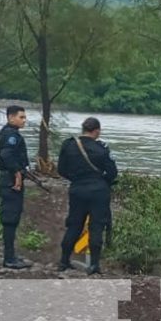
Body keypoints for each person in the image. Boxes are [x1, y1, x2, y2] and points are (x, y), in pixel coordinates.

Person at [57, 117, 117, 275]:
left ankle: (64, 261)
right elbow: (112, 173)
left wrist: (76, 179)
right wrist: (102, 181)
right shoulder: (102, 149)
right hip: (99, 192)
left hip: (77, 190)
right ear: (96, 130)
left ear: (83, 129)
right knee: (96, 226)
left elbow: (61, 169)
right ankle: (95, 265)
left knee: (74, 225)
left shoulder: (69, 145)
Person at [0, 105, 32, 270]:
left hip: (9, 179)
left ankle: (11, 255)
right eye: (21, 117)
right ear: (11, 117)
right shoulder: (11, 135)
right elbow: (7, 155)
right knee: (10, 219)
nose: (24, 120)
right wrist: (17, 174)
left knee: (12, 218)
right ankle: (9, 258)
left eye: (24, 117)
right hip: (11, 181)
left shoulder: (9, 132)